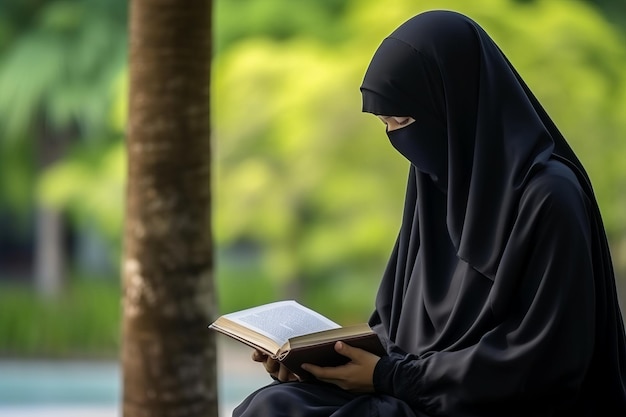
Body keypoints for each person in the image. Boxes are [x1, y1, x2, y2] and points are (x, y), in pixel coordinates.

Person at [232, 10, 626, 417]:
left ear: (454, 105)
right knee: (274, 401)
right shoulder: (433, 185)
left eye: (404, 120)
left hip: (495, 402)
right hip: (416, 389)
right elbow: (396, 330)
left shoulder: (549, 196)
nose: (397, 138)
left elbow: (547, 359)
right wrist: (313, 363)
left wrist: (394, 377)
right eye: (387, 123)